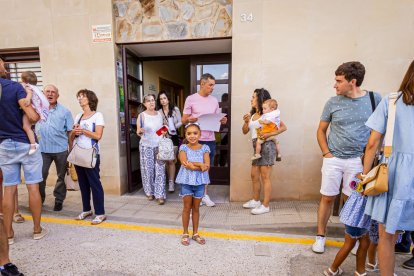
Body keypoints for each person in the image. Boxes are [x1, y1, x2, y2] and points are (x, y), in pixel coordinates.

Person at [312, 61, 382, 254]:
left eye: (338, 81)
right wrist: (327, 153)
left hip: (358, 162)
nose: (335, 85)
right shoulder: (332, 102)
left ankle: (351, 240)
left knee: (351, 200)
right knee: (327, 198)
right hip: (333, 159)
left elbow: (379, 132)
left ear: (352, 81)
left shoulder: (375, 99)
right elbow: (321, 130)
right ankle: (320, 237)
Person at [362, 60, 414, 275]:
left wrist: (365, 175)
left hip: (393, 174)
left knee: (387, 236)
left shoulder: (391, 101)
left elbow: (372, 143)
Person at [0, 58, 48, 245]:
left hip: (4, 144)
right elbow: (31, 115)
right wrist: (35, 117)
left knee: (9, 188)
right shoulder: (14, 87)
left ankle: (9, 235)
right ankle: (36, 230)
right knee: (32, 187)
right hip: (26, 144)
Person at [181, 73, 227, 207]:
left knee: (206, 168)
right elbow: (183, 120)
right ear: (202, 84)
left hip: (210, 139)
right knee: (193, 166)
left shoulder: (214, 100)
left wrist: (222, 120)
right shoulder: (191, 99)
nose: (212, 88)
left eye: (214, 85)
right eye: (210, 85)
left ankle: (204, 195)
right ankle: (194, 195)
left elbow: (216, 119)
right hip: (195, 140)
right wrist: (191, 119)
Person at [242, 88, 287, 215]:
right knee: (254, 175)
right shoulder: (252, 115)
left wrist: (269, 135)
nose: (251, 99)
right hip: (256, 146)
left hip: (266, 145)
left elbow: (283, 127)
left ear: (260, 99)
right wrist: (246, 122)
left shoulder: (269, 115)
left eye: (253, 97)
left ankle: (265, 205)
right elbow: (245, 131)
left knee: (265, 177)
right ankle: (256, 200)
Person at [70, 89, 106, 225]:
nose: (79, 99)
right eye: (78, 97)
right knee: (83, 184)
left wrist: (83, 130)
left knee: (95, 183)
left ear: (90, 99)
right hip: (79, 153)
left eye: (82, 96)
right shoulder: (78, 115)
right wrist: (74, 132)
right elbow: (73, 135)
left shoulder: (98, 115)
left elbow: (98, 136)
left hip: (91, 154)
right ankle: (86, 209)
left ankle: (100, 213)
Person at [35, 84, 73, 211]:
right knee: (40, 176)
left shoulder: (65, 111)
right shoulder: (37, 109)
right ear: (43, 93)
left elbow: (70, 132)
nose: (50, 94)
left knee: (61, 177)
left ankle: (59, 200)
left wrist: (71, 149)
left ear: (57, 95)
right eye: (47, 91)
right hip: (42, 150)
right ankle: (39, 199)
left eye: (53, 92)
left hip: (61, 150)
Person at [323, 178, 371, 276]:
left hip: (351, 216)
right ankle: (357, 271)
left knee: (350, 244)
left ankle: (333, 270)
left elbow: (353, 184)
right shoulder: (372, 179)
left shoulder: (359, 175)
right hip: (362, 218)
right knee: (362, 243)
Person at [176, 123, 210, 246]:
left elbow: (207, 166)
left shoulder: (205, 148)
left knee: (196, 208)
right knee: (186, 207)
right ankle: (185, 233)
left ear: (200, 134)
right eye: (189, 133)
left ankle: (195, 233)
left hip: (200, 183)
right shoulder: (183, 148)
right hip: (186, 182)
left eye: (195, 133)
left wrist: (197, 165)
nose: (192, 136)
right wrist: (200, 164)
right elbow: (185, 163)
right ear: (185, 135)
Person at [136, 94, 166, 205]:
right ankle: (149, 192)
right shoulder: (142, 115)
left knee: (160, 170)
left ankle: (160, 194)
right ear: (144, 104)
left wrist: (162, 131)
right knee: (148, 170)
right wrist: (140, 131)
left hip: (159, 146)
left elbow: (163, 128)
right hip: (146, 146)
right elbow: (138, 130)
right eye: (148, 101)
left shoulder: (159, 114)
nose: (151, 102)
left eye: (153, 100)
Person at [156, 90, 182, 193]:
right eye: (161, 99)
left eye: (164, 98)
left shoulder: (175, 109)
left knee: (171, 160)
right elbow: (157, 129)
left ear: (168, 99)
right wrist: (164, 129)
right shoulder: (158, 112)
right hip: (163, 138)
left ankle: (171, 182)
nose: (163, 100)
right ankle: (169, 180)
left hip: (174, 137)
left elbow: (181, 121)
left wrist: (173, 127)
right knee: (166, 160)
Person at [20, 71, 49, 155]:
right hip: (36, 109)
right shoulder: (35, 87)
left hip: (32, 109)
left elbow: (29, 93)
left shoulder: (27, 86)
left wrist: (28, 99)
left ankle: (33, 145)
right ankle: (34, 143)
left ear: (24, 80)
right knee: (29, 127)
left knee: (26, 127)